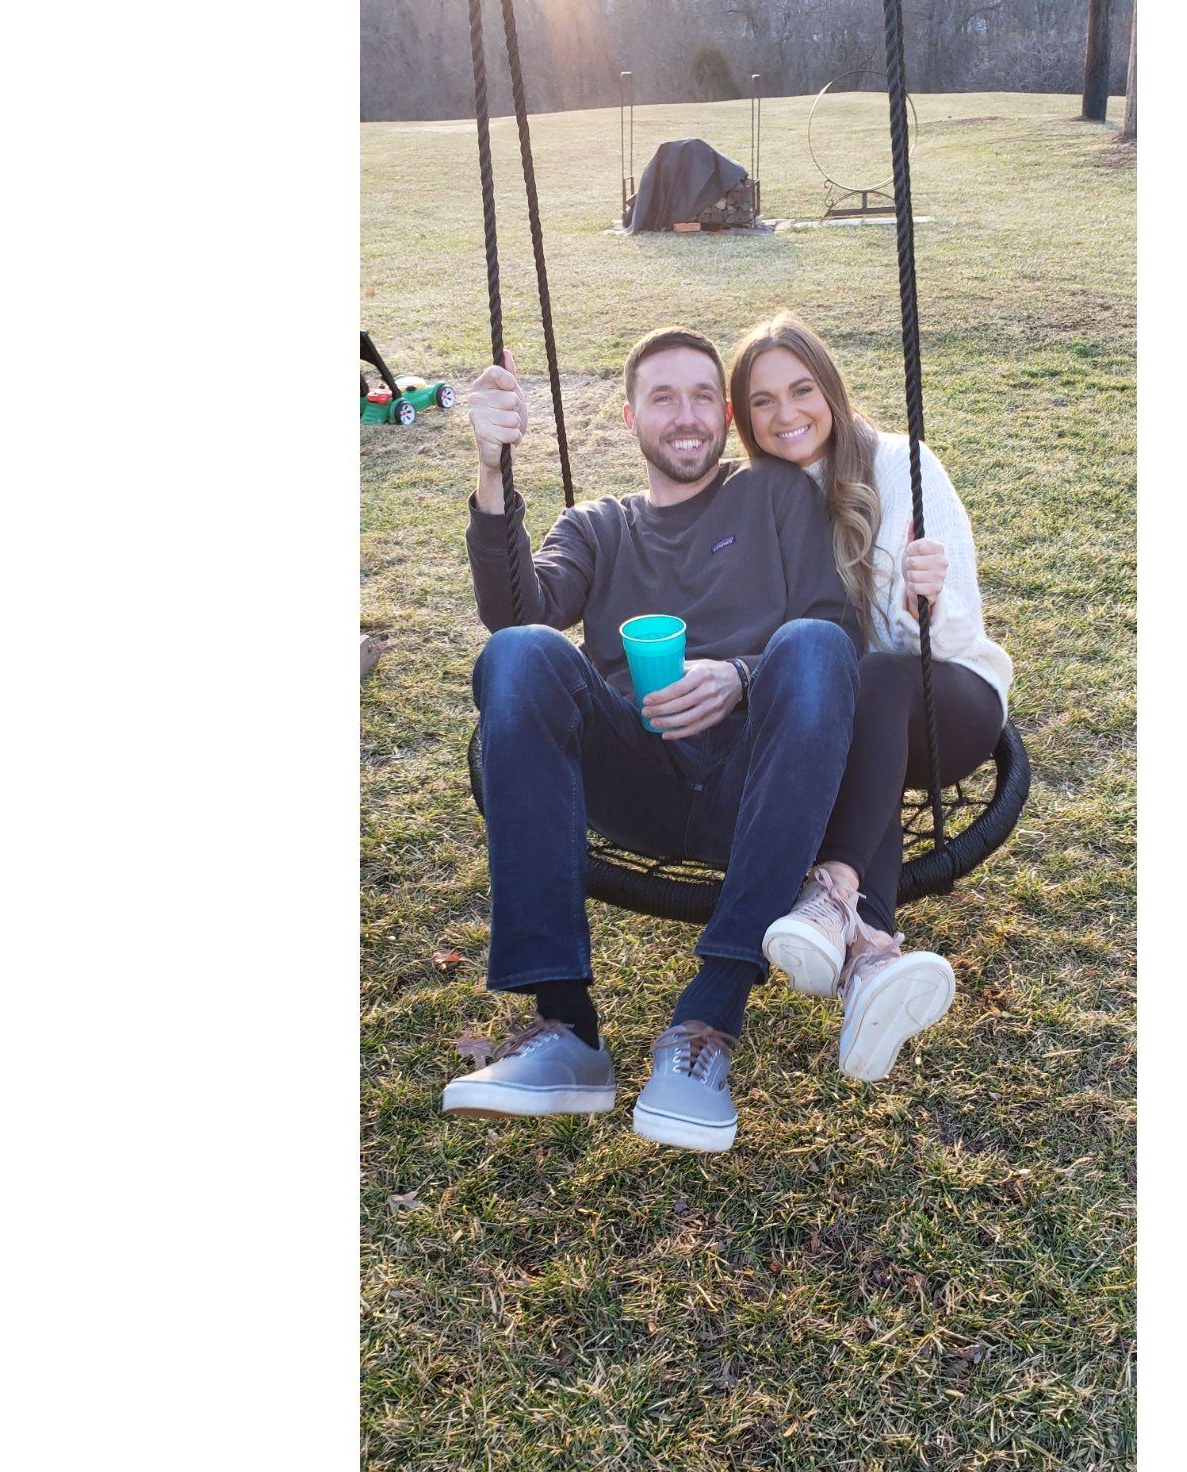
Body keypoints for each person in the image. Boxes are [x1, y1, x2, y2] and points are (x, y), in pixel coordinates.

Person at [442, 327, 864, 1153]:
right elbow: (516, 613)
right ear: (631, 416)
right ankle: (566, 1028)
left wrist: (739, 676)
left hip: (761, 785)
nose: (687, 415)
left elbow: (834, 626)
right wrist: (492, 469)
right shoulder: (598, 526)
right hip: (636, 780)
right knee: (519, 652)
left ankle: (710, 1018)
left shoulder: (773, 494)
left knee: (815, 645)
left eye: (704, 396)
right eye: (663, 398)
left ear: (727, 416)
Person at [727, 311, 1031, 1082]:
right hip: (856, 732)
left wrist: (923, 601)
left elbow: (954, 636)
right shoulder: (753, 500)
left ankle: (832, 894)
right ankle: (870, 961)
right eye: (763, 400)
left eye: (801, 390)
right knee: (841, 718)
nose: (787, 414)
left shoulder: (901, 465)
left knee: (873, 678)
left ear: (830, 390)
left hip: (943, 701)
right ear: (743, 416)